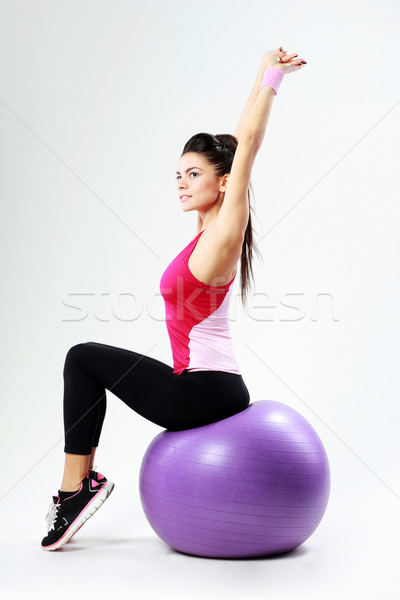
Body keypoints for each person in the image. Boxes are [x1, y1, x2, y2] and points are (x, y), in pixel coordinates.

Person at [41, 45, 307, 551]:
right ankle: (77, 488)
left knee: (82, 359)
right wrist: (258, 70)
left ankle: (73, 489)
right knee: (85, 360)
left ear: (224, 182)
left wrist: (274, 78)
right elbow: (234, 141)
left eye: (194, 174)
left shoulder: (228, 228)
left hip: (205, 392)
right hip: (205, 385)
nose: (182, 184)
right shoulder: (205, 233)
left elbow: (245, 144)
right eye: (178, 175)